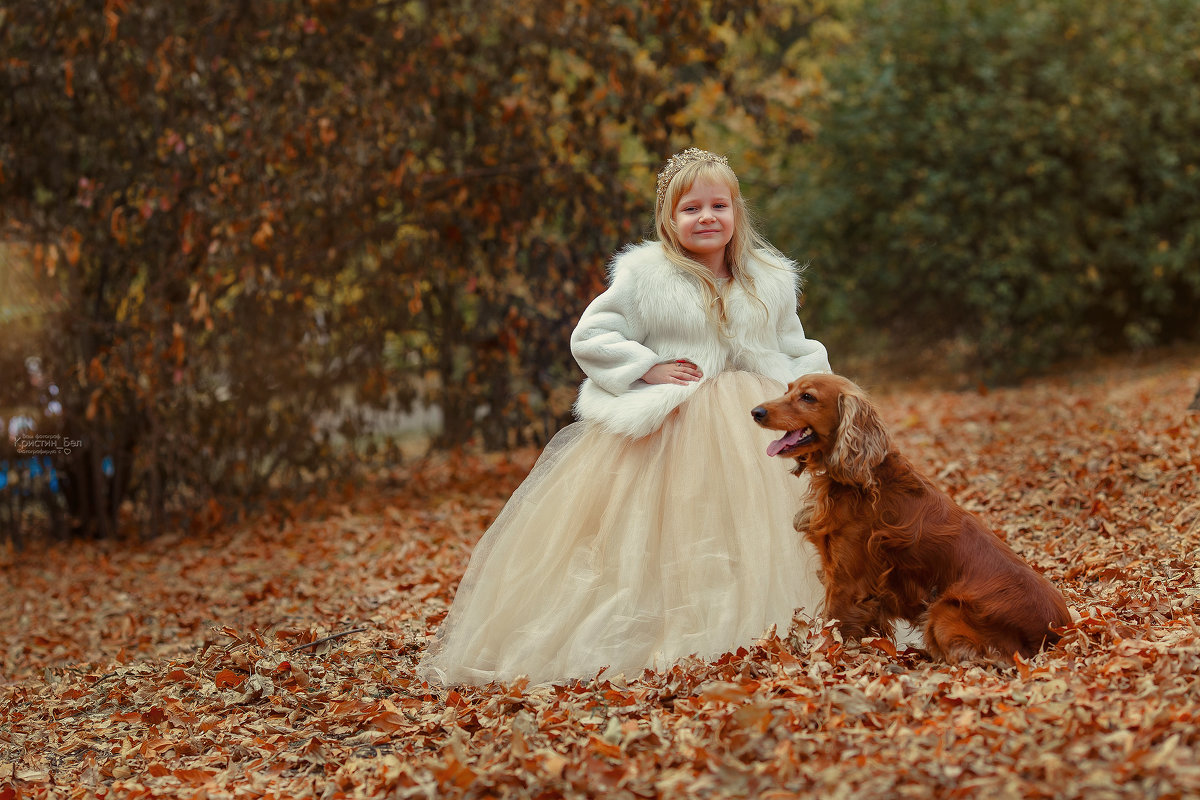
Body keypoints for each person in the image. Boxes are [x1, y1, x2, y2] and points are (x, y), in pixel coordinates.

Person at [417, 148, 831, 686]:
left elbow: (795, 347)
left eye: (718, 205)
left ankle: (768, 628)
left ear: (736, 212)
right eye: (691, 209)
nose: (706, 218)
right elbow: (590, 336)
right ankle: (669, 633)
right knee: (670, 526)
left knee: (765, 525)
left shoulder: (769, 278)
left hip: (756, 421)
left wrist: (811, 401)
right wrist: (647, 367)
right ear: (668, 219)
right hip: (674, 423)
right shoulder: (646, 277)